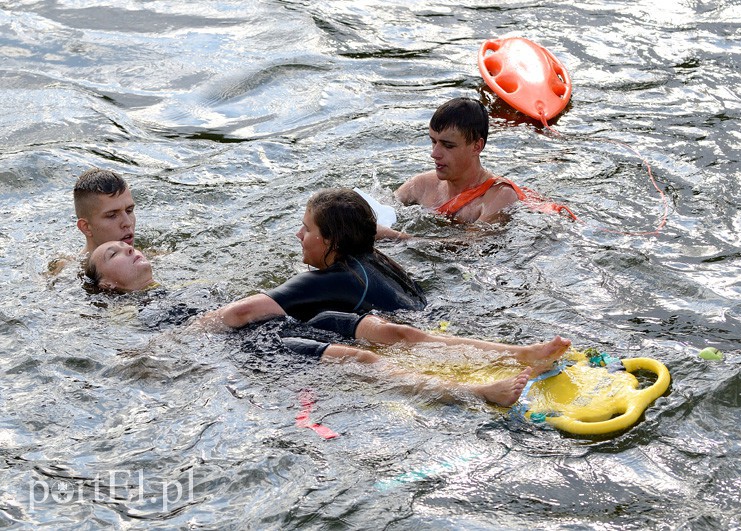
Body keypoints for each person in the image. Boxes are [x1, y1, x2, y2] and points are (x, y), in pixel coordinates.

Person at [85, 240, 572, 407]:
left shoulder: (182, 287)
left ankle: (521, 352)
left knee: (395, 332)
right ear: (107, 285)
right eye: (114, 254)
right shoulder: (141, 313)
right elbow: (167, 349)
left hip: (290, 322)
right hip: (259, 347)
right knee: (360, 358)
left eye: (128, 244)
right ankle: (476, 392)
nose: (128, 247)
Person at [198, 188, 427, 328]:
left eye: (307, 230)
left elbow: (240, 312)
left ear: (332, 241)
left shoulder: (332, 280)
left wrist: (184, 334)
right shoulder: (374, 258)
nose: (298, 235)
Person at [376, 97, 573, 239]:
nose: (434, 153)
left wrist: (394, 237)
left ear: (477, 146)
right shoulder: (420, 185)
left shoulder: (499, 197)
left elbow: (465, 248)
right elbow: (377, 210)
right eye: (433, 142)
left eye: (448, 145)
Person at [74, 168, 136, 256]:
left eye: (129, 211)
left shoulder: (149, 258)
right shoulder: (68, 269)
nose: (128, 223)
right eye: (112, 215)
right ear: (86, 227)